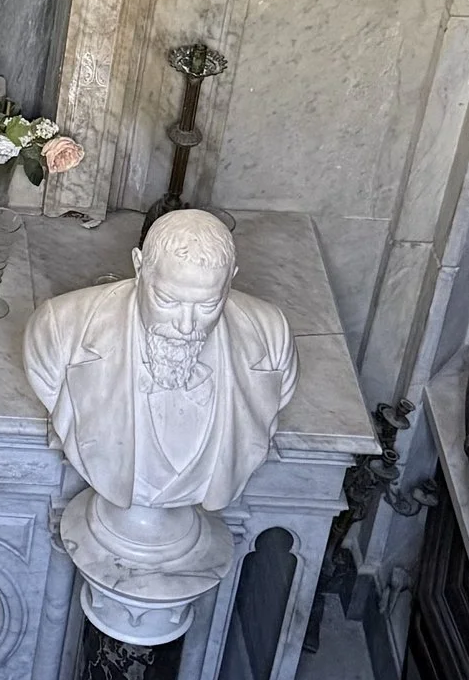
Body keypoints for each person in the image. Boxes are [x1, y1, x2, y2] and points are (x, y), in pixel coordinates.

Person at [23, 207, 295, 606]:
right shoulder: (60, 331)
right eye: (168, 300)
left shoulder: (271, 339)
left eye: (206, 305)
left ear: (231, 281)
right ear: (139, 268)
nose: (186, 325)